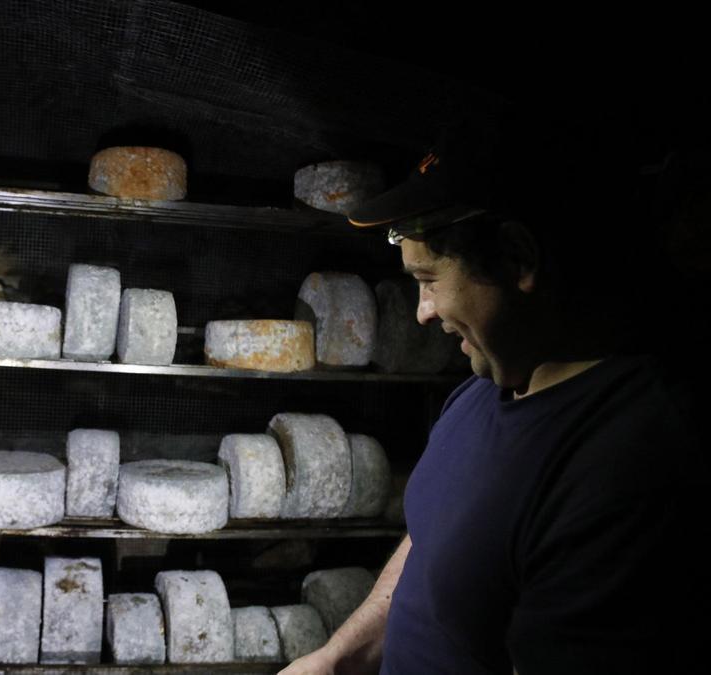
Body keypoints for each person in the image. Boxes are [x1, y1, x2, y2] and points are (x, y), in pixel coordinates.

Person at [280, 108, 707, 674]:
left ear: (517, 258)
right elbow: (433, 547)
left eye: (429, 281)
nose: (423, 313)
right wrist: (340, 657)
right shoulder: (483, 393)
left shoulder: (628, 463)